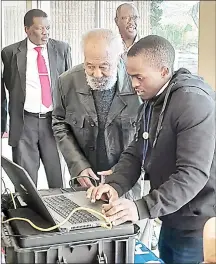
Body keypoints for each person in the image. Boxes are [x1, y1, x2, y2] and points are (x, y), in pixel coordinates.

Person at [87, 35, 216, 263]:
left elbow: (192, 174)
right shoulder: (152, 99)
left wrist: (141, 208)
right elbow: (136, 151)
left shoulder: (193, 102)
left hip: (197, 223)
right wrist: (116, 185)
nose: (134, 84)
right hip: (171, 215)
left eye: (139, 77)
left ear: (164, 71)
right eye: (130, 76)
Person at [52, 28, 141, 188]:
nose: (97, 74)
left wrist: (123, 171)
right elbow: (59, 123)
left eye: (104, 67)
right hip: (85, 179)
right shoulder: (66, 82)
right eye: (90, 66)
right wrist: (78, 165)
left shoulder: (137, 82)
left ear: (119, 58)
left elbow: (147, 133)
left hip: (127, 179)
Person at [1, 9, 72, 188]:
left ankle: (59, 214)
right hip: (25, 123)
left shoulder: (62, 49)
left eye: (47, 28)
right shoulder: (10, 53)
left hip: (54, 122)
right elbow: (7, 88)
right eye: (40, 28)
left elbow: (69, 89)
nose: (45, 32)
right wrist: (3, 124)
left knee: (58, 179)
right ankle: (28, 215)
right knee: (25, 182)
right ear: (27, 29)